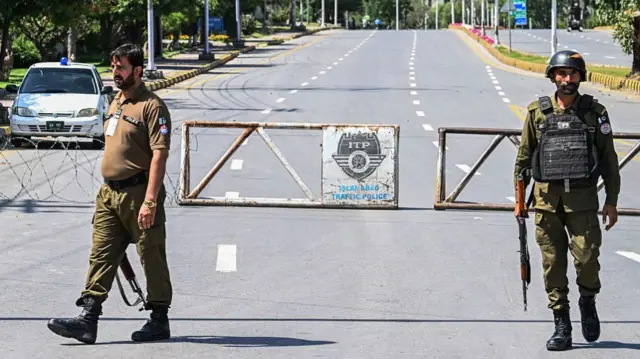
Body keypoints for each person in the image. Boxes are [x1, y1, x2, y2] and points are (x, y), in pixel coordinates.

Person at [47, 43, 173, 344]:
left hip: (139, 194)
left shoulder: (152, 106)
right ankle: (87, 319)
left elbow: (159, 155)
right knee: (101, 254)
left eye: (121, 67)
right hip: (109, 196)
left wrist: (150, 201)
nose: (115, 72)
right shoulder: (116, 101)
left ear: (138, 70)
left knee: (150, 255)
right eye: (113, 66)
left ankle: (159, 319)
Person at [513, 49, 620, 351]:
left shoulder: (594, 114)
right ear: (552, 77)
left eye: (573, 74)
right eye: (561, 73)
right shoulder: (537, 113)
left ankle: (588, 301)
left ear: (580, 78)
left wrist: (611, 201)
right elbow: (523, 160)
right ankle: (561, 325)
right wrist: (518, 198)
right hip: (546, 203)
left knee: (587, 261)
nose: (567, 79)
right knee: (553, 265)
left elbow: (610, 161)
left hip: (583, 203)